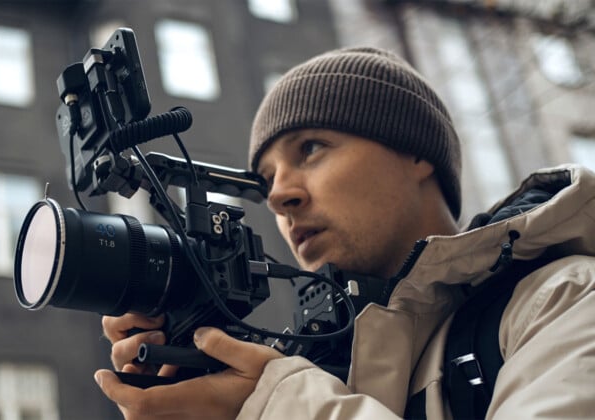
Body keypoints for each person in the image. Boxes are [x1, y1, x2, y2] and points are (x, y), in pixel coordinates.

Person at [93, 47, 595, 419]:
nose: (278, 196)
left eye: (311, 148)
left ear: (415, 152)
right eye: (266, 180)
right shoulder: (312, 367)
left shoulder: (565, 299)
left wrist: (275, 405)